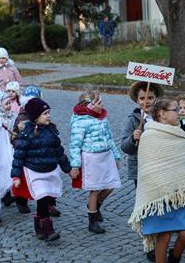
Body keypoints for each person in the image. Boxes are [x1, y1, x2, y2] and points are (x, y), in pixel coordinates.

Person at [128, 97, 185, 263]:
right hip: (159, 195)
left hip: (180, 194)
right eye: (174, 109)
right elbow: (149, 170)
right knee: (164, 236)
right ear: (162, 114)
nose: (179, 112)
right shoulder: (149, 135)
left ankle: (174, 260)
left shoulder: (181, 133)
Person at [12, 98, 72, 241]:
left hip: (50, 170)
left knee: (46, 199)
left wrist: (68, 169)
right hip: (34, 171)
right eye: (45, 113)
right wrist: (16, 176)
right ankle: (47, 229)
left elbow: (59, 152)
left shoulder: (51, 132)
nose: (48, 116)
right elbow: (18, 156)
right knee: (43, 197)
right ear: (35, 117)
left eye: (48, 113)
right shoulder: (26, 135)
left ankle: (39, 228)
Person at [121, 81, 163, 261]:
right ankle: (150, 244)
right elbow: (125, 147)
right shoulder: (133, 120)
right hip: (141, 170)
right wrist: (133, 138)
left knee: (160, 206)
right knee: (146, 208)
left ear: (156, 99)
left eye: (150, 98)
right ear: (137, 100)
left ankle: (161, 238)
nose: (147, 101)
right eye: (143, 98)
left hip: (160, 168)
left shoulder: (162, 117)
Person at [69, 90, 121, 234]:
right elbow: (75, 145)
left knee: (110, 186)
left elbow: (110, 138)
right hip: (92, 158)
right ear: (91, 104)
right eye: (100, 102)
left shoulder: (102, 117)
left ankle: (95, 205)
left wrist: (116, 156)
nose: (103, 104)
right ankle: (93, 219)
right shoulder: (80, 121)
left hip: (106, 156)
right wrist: (75, 165)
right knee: (96, 189)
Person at [10, 86, 43, 214]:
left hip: (40, 151)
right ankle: (21, 200)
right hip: (26, 152)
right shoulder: (23, 118)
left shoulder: (42, 115)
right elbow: (17, 137)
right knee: (23, 178)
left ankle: (49, 202)